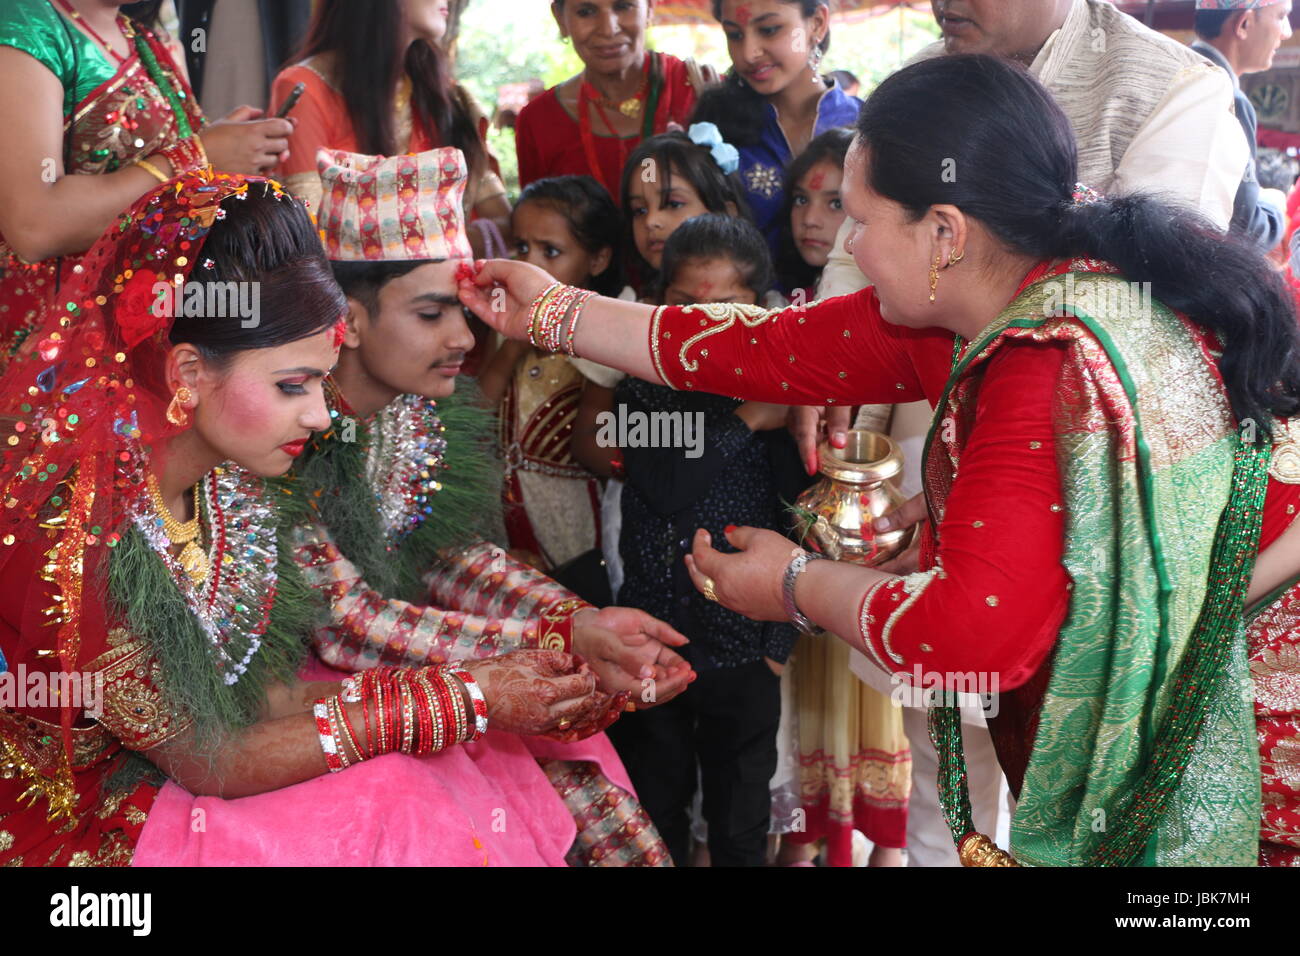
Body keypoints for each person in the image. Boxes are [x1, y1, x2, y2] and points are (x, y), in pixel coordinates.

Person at [459, 53, 1300, 866]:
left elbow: (967, 638)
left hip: (1251, 709)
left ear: (943, 232)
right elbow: (766, 349)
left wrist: (794, 585)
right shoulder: (994, 290)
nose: (847, 245)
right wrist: (555, 313)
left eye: (862, 219)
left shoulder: (1042, 359)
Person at [0, 168, 621, 867]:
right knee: (395, 801)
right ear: (185, 373)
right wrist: (464, 695)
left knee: (444, 767)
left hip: (200, 758)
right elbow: (211, 758)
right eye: (291, 385)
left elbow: (262, 697)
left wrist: (476, 689)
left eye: (320, 383)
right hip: (88, 813)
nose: (322, 415)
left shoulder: (228, 483)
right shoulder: (77, 534)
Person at [269, 148, 690, 866]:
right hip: (310, 698)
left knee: (591, 791)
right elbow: (343, 623)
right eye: (432, 314)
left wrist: (575, 624)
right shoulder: (282, 428)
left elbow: (451, 560)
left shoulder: (414, 416)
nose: (465, 339)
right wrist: (536, 658)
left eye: (462, 313)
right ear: (349, 317)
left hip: (420, 654)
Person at [603, 213, 799, 867]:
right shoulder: (643, 387)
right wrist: (747, 419)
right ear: (660, 306)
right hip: (652, 643)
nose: (706, 324)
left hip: (747, 647)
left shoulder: (781, 392)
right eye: (687, 305)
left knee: (740, 822)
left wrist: (778, 645)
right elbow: (664, 484)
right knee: (655, 811)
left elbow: (803, 514)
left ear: (761, 309)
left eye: (728, 307)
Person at [0, 0, 294, 361]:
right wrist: (197, 158)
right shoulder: (23, 23)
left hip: (142, 333)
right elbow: (34, 225)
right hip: (45, 350)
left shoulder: (140, 38)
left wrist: (229, 152)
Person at [270, 0, 510, 257]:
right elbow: (306, 236)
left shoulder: (446, 97)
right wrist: (436, 238)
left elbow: (504, 222)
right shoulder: (306, 87)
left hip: (452, 289)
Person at [478, 176, 623, 578]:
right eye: (521, 247)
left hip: (576, 532)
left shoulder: (603, 339)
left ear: (598, 260)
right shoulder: (504, 322)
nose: (530, 265)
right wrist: (511, 348)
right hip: (504, 524)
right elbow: (477, 417)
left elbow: (598, 447)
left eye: (551, 251)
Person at [690, 0, 860, 263]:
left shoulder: (867, 127)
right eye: (734, 35)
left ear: (817, 23)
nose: (748, 53)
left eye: (769, 29)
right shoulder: (716, 129)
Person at [515, 0, 704, 200]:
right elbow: (535, 224)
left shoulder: (697, 92)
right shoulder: (538, 122)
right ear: (560, 18)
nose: (608, 29)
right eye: (586, 12)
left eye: (623, 6)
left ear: (649, 8)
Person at [1192, 0, 1292, 250]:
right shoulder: (1227, 97)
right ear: (1244, 24)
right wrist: (1275, 206)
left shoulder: (1174, 70)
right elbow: (1244, 230)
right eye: (1281, 17)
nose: (1287, 32)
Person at [619, 126, 749, 297]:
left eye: (673, 204)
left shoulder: (768, 312)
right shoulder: (628, 310)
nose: (650, 221)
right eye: (639, 210)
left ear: (726, 212)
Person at [777, 127, 851, 297]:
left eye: (836, 203)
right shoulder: (793, 302)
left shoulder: (888, 308)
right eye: (801, 200)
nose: (810, 219)